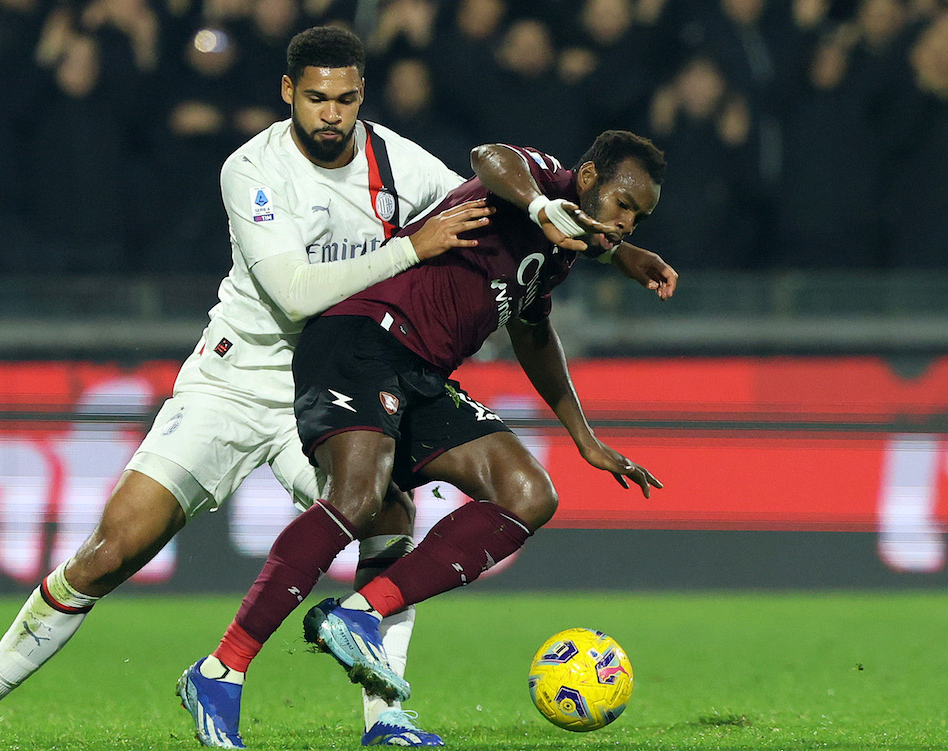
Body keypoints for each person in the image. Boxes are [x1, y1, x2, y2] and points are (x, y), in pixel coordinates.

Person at [0, 26, 493, 749]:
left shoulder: (396, 159)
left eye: (346, 99)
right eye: (317, 98)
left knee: (388, 512)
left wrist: (562, 218)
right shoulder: (252, 167)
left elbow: (483, 204)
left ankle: (384, 718)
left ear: (363, 93)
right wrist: (410, 247)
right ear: (288, 94)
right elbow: (294, 292)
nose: (331, 114)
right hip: (233, 383)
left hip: (333, 385)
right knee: (111, 550)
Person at [184, 130, 674, 735]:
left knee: (528, 493)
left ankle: (361, 617)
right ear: (591, 176)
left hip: (420, 371)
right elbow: (489, 160)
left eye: (640, 218)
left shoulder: (560, 253)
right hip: (360, 339)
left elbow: (533, 334)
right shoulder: (542, 184)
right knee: (359, 500)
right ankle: (221, 670)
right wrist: (544, 205)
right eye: (623, 205)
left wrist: (584, 438)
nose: (628, 223)